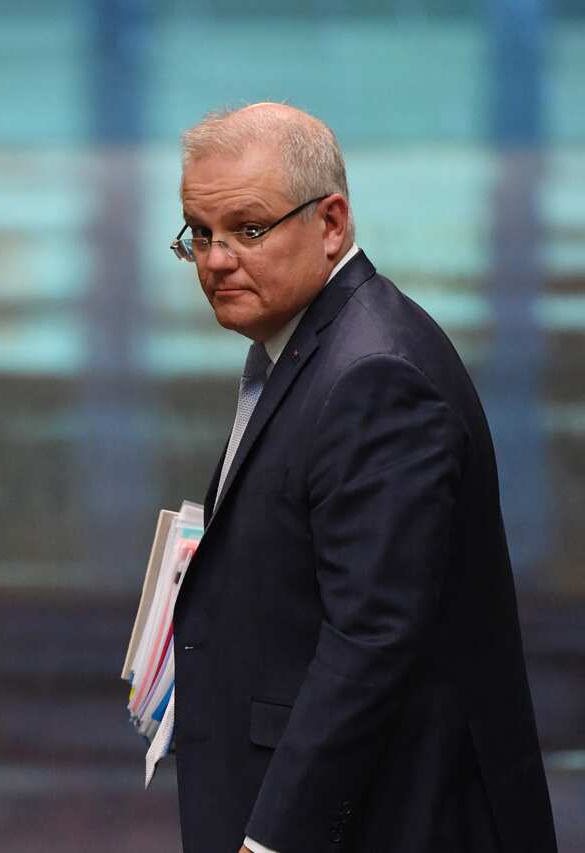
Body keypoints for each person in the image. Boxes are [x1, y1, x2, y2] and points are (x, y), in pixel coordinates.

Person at [169, 104, 557, 852]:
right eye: (200, 233)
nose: (216, 260)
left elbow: (372, 639)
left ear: (332, 222)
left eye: (248, 229)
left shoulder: (375, 375)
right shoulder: (311, 346)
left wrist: (273, 839)